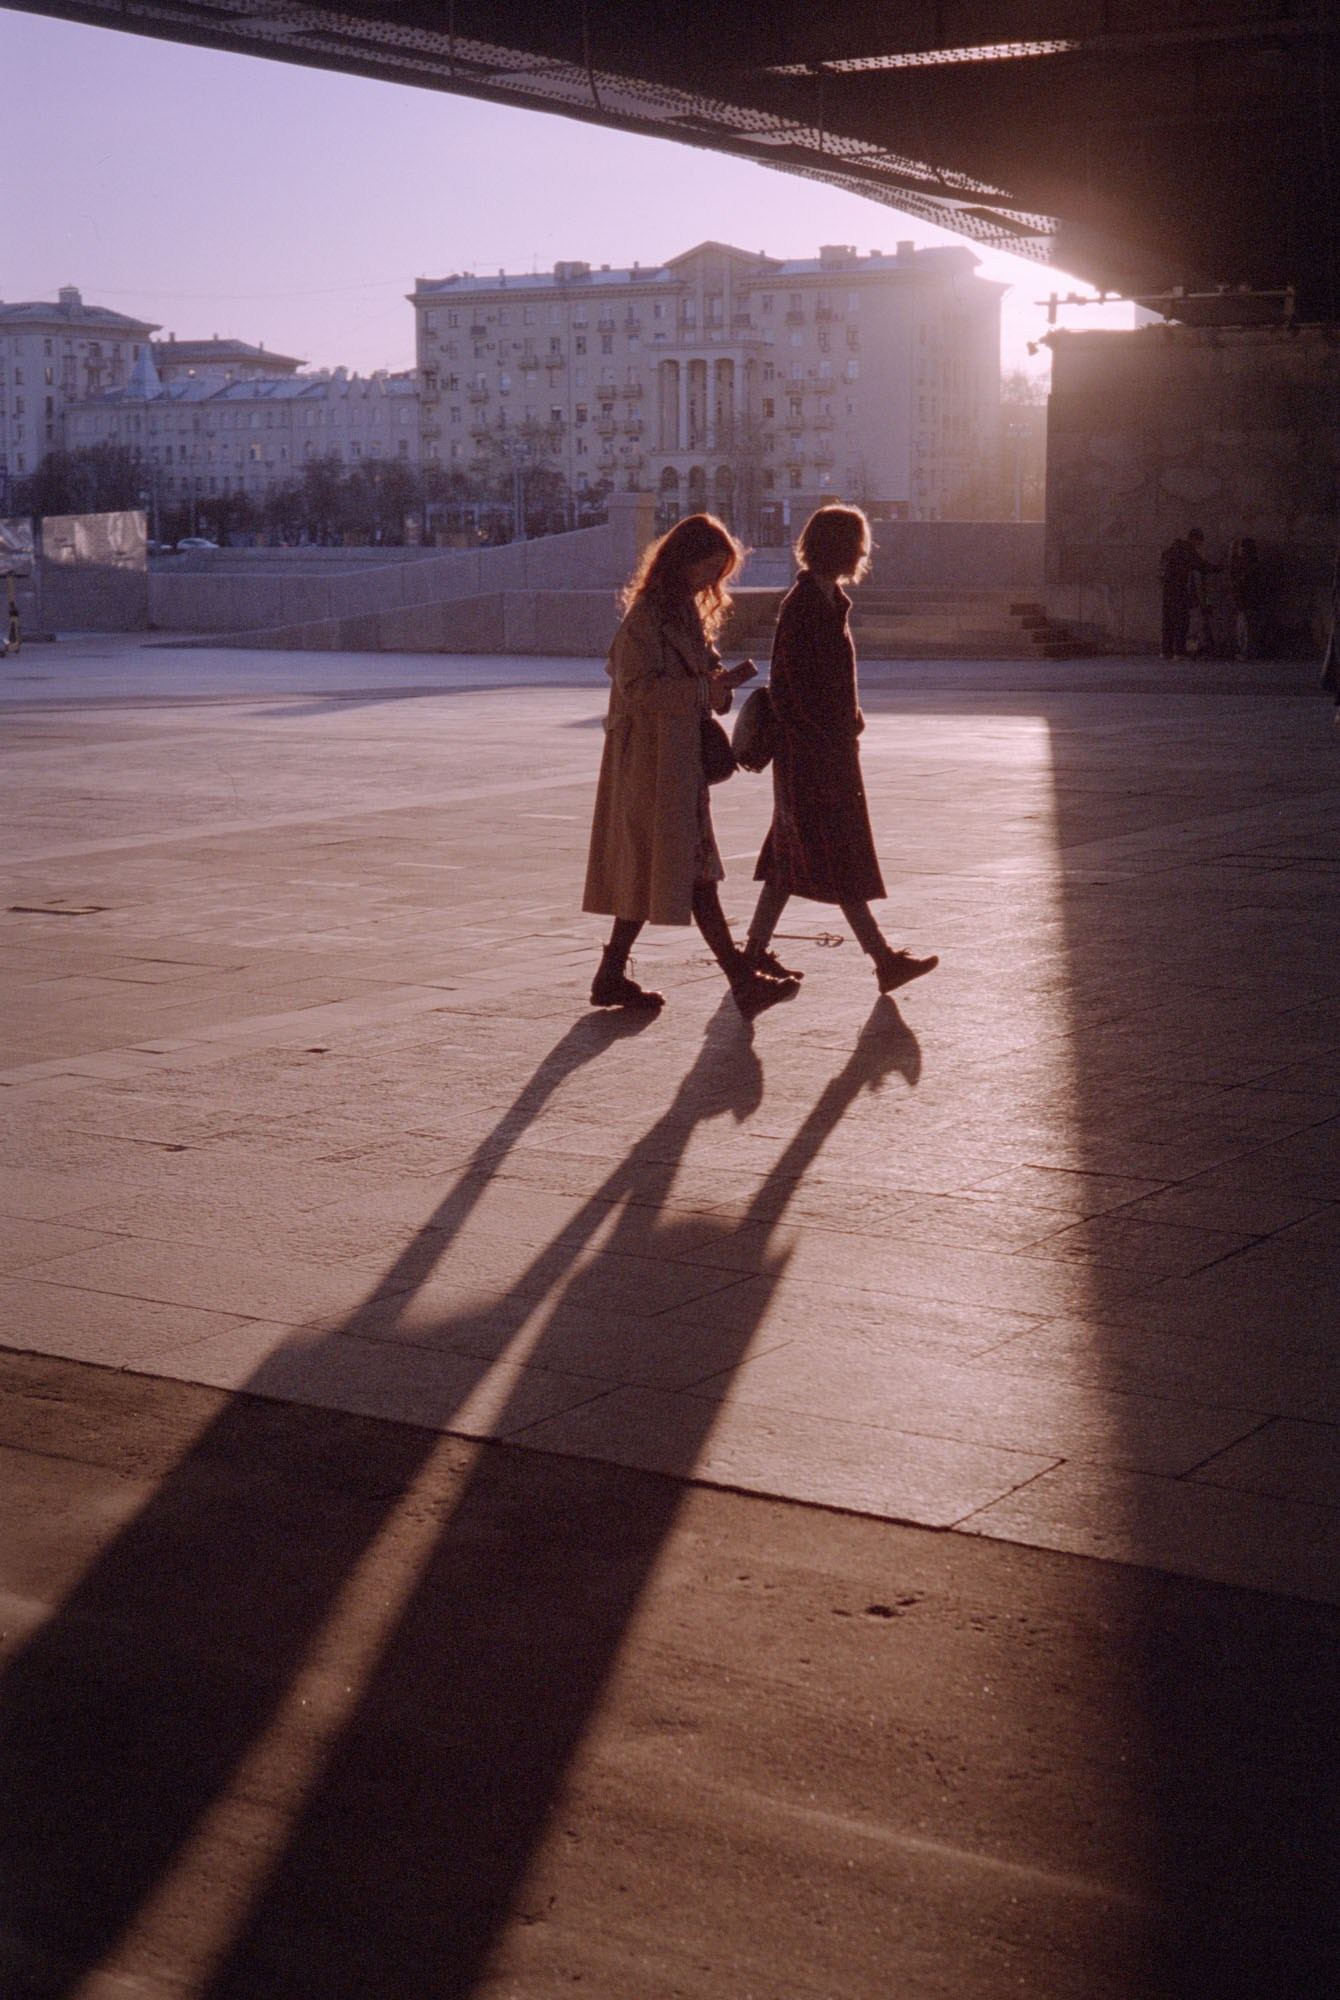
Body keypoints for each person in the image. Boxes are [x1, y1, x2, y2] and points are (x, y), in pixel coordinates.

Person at [583, 513, 800, 1016]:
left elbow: (696, 680)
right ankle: (742, 982)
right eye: (707, 567)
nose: (711, 580)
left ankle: (611, 974)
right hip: (652, 762)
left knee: (665, 866)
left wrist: (718, 689)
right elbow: (636, 689)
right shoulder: (647, 615)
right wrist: (705, 690)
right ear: (683, 559)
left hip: (677, 760)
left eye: (718, 571)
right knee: (694, 872)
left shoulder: (681, 610)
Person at [741, 505, 938, 995]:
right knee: (839, 855)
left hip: (824, 751)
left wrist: (850, 719)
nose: (862, 552)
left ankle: (751, 954)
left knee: (793, 858)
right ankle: (882, 958)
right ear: (840, 548)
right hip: (813, 758)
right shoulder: (805, 603)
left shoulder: (827, 599)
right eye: (857, 543)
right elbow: (786, 687)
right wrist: (825, 741)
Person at [1159, 527, 1217, 659]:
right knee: (1181, 621)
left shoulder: (1170, 550)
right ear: (1195, 539)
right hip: (1180, 590)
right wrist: (1219, 568)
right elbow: (1201, 565)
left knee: (1168, 621)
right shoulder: (1187, 550)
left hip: (1167, 590)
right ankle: (1179, 652)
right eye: (1199, 542)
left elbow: (1161, 571)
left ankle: (1165, 651)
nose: (1199, 546)